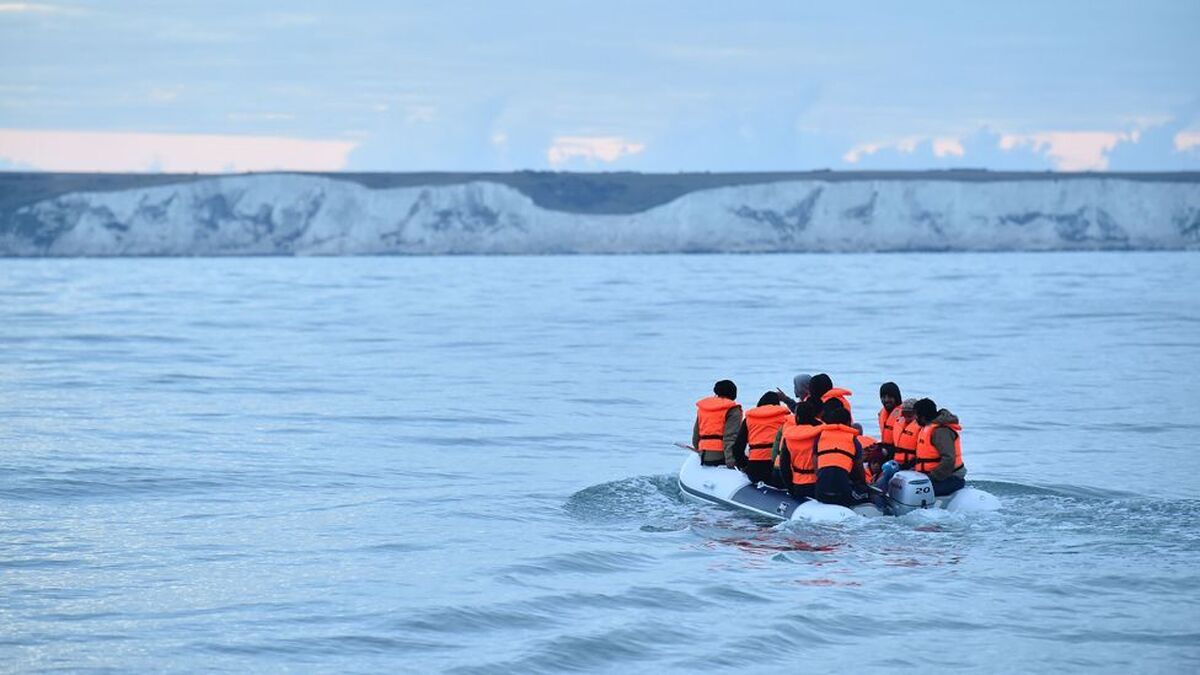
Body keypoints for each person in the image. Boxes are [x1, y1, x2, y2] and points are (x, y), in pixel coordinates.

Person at [813, 402, 868, 506]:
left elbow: (815, 464)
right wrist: (863, 484)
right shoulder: (853, 440)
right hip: (842, 492)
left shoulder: (820, 437)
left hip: (821, 490)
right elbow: (859, 467)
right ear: (848, 423)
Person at [912, 398, 967, 496]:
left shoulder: (940, 432)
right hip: (933, 476)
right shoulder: (927, 428)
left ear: (923, 416)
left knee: (915, 492)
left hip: (951, 478)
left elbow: (949, 459)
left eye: (916, 414)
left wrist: (932, 477)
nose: (914, 417)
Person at [734, 391, 791, 485]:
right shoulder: (786, 417)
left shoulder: (749, 419)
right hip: (778, 469)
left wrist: (744, 466)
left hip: (755, 469)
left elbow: (737, 448)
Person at [776, 398, 823, 500]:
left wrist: (790, 488)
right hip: (819, 485)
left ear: (797, 417)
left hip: (799, 485)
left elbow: (784, 466)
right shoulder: (821, 433)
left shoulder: (789, 436)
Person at [692, 380, 743, 468]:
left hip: (704, 455)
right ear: (734, 394)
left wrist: (700, 451)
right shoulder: (733, 410)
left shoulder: (703, 408)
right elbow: (730, 437)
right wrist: (731, 462)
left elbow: (696, 435)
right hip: (721, 457)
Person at [877, 382, 904, 446]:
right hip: (886, 450)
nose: (886, 400)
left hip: (899, 451)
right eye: (883, 397)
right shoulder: (881, 413)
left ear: (896, 397)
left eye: (890, 397)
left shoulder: (905, 415)